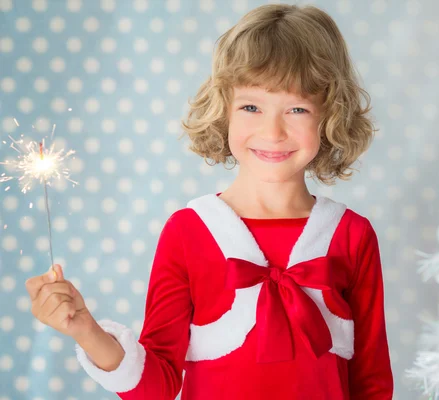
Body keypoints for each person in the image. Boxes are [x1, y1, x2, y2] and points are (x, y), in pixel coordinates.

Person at [25, 4, 393, 399]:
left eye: (297, 109)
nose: (272, 131)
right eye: (251, 107)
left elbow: (371, 381)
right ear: (224, 109)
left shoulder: (352, 235)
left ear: (329, 115)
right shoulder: (188, 231)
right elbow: (158, 386)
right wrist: (86, 329)